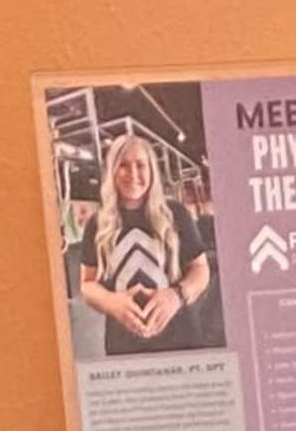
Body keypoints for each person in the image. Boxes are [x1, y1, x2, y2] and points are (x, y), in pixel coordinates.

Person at [72, 118, 218, 357]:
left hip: (182, 340)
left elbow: (200, 269)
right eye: (123, 165)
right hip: (124, 346)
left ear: (152, 171)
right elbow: (87, 284)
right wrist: (111, 302)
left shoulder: (176, 214)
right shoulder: (97, 224)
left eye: (141, 165)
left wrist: (176, 296)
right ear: (112, 171)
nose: (133, 174)